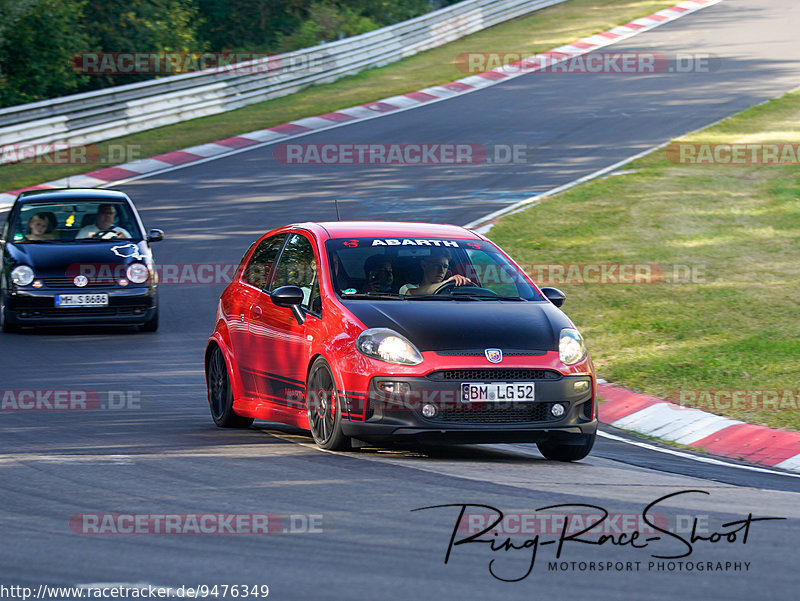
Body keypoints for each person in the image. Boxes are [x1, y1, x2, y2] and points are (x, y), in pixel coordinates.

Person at [401, 249, 470, 295]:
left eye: (445, 266)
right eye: (437, 265)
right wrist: (447, 283)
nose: (441, 270)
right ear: (424, 265)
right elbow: (412, 293)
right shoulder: (407, 288)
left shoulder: (451, 290)